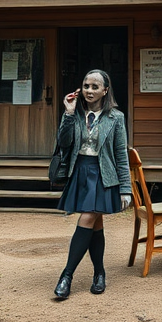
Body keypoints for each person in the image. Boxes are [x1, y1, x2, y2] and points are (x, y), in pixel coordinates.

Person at [53, 69, 132, 299]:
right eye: (86, 85)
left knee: (88, 216)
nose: (89, 90)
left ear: (105, 91)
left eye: (95, 87)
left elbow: (120, 153)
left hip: (103, 175)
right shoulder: (74, 113)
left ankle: (66, 276)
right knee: (95, 224)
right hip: (80, 171)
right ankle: (99, 273)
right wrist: (68, 113)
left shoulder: (116, 118)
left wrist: (125, 188)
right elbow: (64, 143)